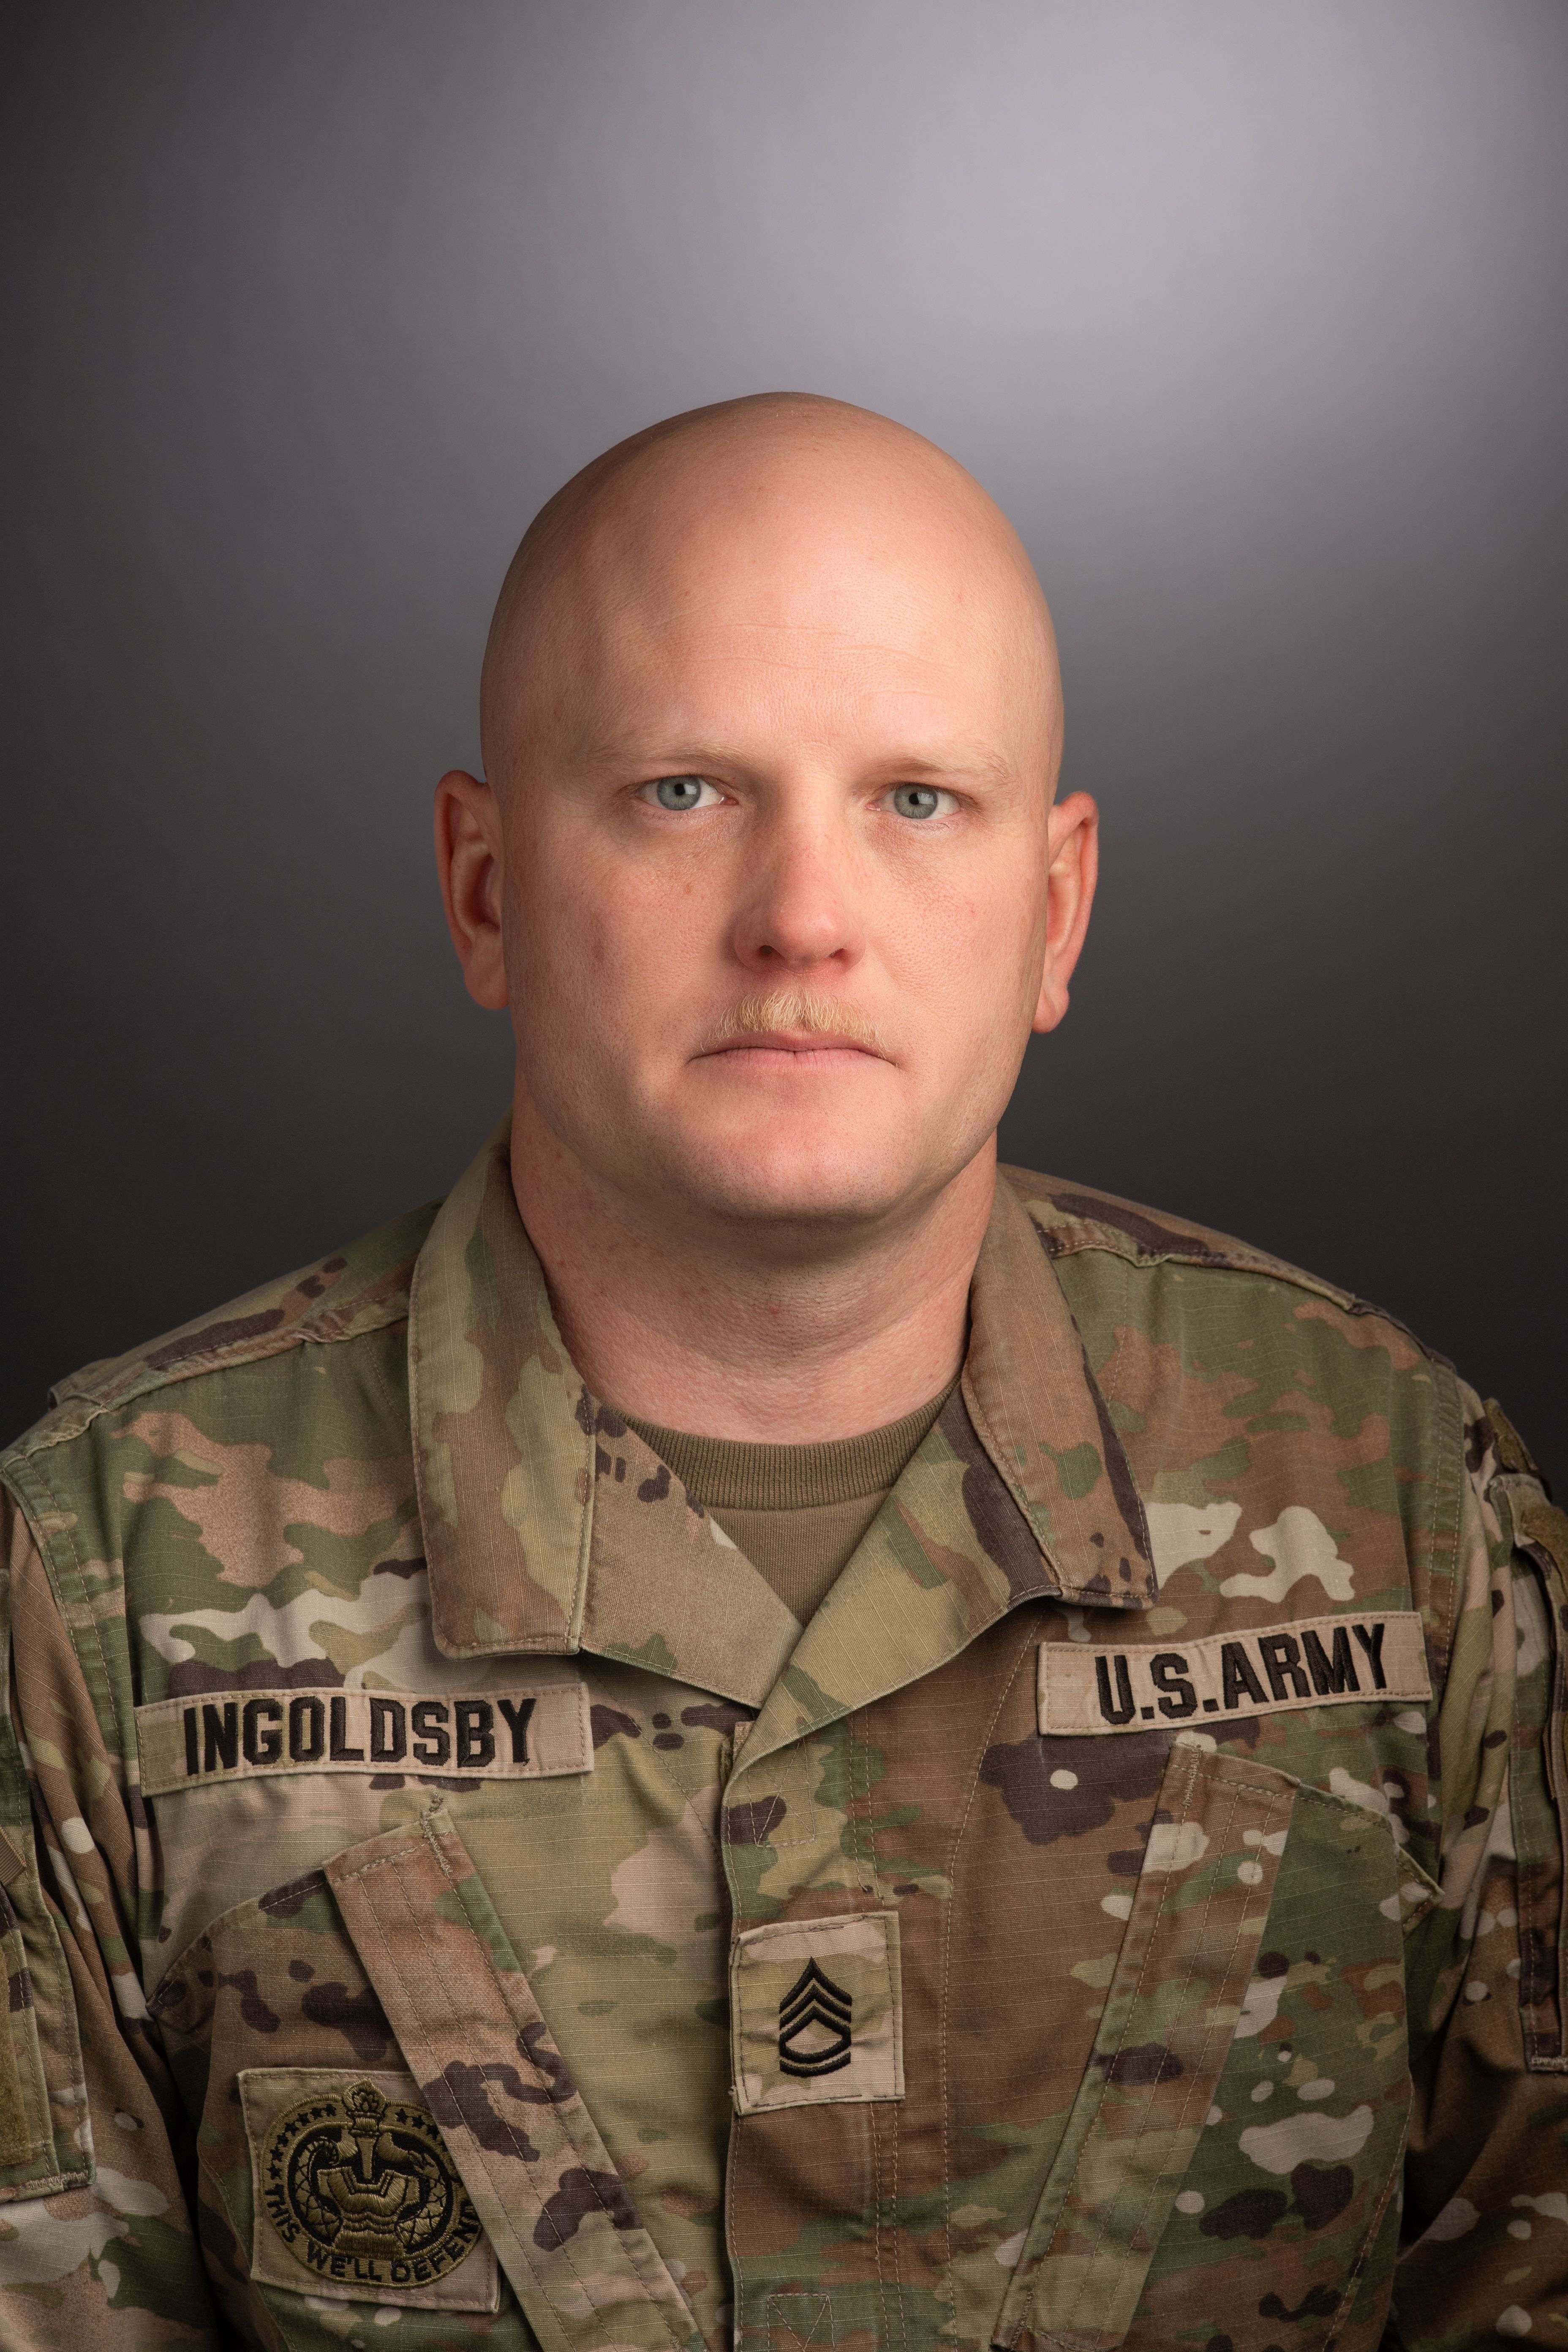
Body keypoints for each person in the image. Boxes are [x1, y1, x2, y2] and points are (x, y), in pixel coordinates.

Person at [0, 393, 1561, 2352]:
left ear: (1053, 909)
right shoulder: (102, 1582)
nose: (802, 920)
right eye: (682, 792)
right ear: (485, 888)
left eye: (917, 799)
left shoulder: (1395, 1503)